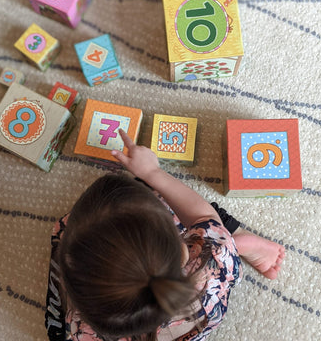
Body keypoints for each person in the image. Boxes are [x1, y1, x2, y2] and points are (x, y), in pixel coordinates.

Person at [45, 130, 285, 341]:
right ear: (182, 246)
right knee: (208, 227)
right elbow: (201, 214)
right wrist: (151, 172)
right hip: (208, 299)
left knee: (63, 234)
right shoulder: (210, 265)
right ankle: (235, 241)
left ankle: (232, 241)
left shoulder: (84, 332)